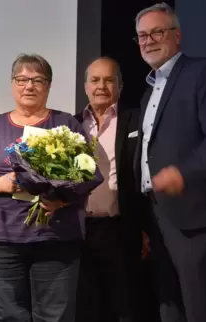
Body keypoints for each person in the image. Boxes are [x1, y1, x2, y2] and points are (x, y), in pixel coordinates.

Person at [0, 54, 91, 322]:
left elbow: (85, 176)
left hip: (56, 238)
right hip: (1, 239)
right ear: (12, 84)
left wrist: (61, 200)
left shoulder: (67, 124)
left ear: (48, 86)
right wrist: (4, 182)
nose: (29, 86)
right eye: (22, 79)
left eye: (37, 80)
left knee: (55, 316)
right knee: (8, 316)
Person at [133, 3, 206, 322]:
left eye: (157, 32)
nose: (148, 40)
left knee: (199, 308)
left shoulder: (203, 72)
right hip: (157, 216)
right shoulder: (148, 92)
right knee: (169, 306)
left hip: (192, 216)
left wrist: (183, 173)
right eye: (142, 35)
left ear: (177, 35)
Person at [74, 57, 150, 322]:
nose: (101, 86)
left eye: (109, 80)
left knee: (125, 307)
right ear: (85, 86)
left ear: (120, 85)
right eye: (95, 80)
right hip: (79, 232)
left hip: (121, 230)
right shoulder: (71, 125)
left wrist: (145, 228)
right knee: (86, 309)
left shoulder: (138, 121)